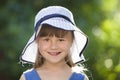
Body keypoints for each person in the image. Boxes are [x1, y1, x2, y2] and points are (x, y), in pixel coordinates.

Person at [19, 6, 89, 80]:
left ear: (72, 41)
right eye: (47, 40)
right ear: (37, 41)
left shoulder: (81, 78)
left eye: (60, 40)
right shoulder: (26, 78)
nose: (53, 47)